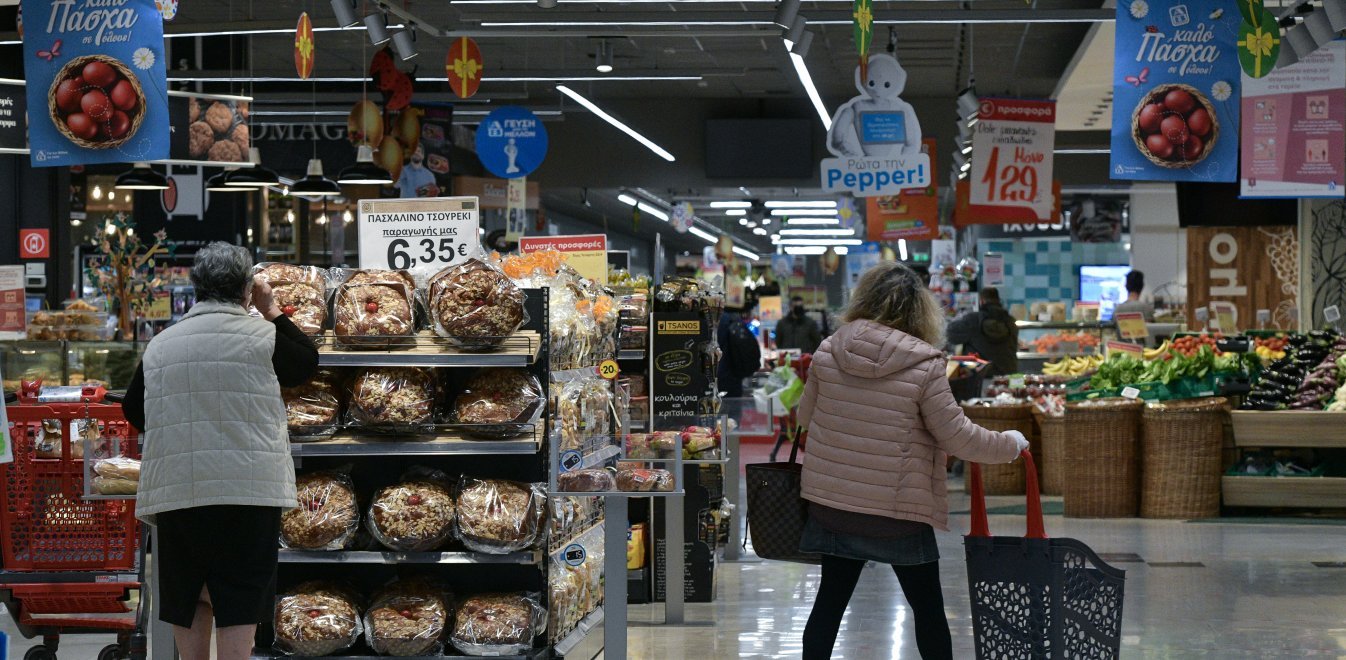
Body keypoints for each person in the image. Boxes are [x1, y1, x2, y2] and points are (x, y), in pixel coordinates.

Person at [797, 262, 1028, 660]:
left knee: (829, 606)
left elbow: (804, 418)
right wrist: (1010, 444)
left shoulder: (828, 350)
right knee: (927, 610)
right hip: (898, 513)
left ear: (863, 299)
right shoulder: (924, 364)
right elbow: (958, 436)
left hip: (834, 507)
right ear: (920, 310)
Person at [121, 243, 318, 660]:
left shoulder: (161, 344)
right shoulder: (265, 336)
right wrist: (272, 309)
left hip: (179, 492)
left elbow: (134, 410)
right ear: (247, 288)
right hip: (248, 494)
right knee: (241, 596)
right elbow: (305, 363)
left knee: (187, 591)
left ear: (195, 288)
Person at [946, 286, 1019, 376]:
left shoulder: (973, 320)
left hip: (979, 377)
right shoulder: (1011, 322)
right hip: (1008, 376)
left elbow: (951, 335)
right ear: (998, 300)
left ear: (981, 301)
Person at [717, 306, 761, 398]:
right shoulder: (733, 319)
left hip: (719, 376)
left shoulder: (717, 320)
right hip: (733, 377)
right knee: (733, 409)